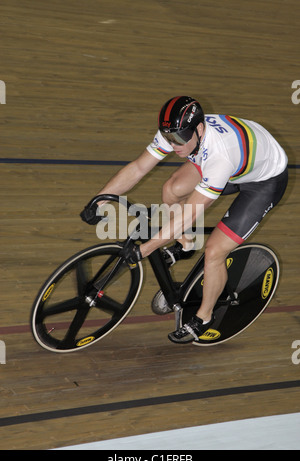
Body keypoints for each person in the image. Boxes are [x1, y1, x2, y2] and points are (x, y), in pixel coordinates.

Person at [80, 96, 288, 345]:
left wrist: (144, 250)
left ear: (199, 130)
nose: (174, 146)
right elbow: (138, 168)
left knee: (214, 252)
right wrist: (99, 200)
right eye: (169, 139)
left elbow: (188, 214)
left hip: (264, 182)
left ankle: (204, 316)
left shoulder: (219, 157)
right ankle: (187, 244)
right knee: (171, 190)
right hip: (237, 162)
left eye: (179, 140)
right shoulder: (177, 132)